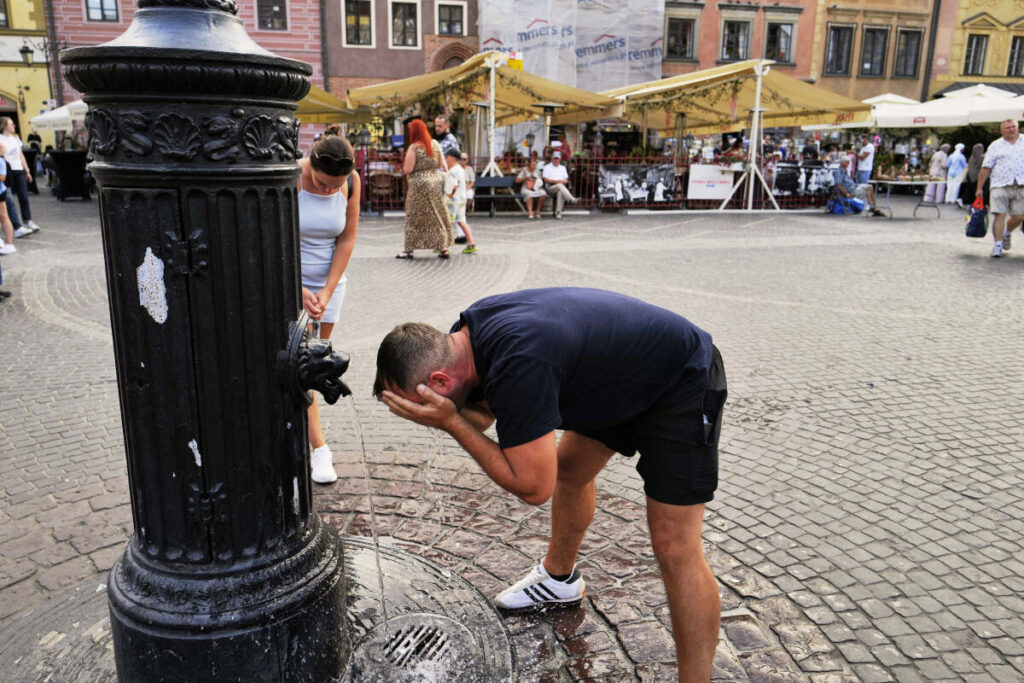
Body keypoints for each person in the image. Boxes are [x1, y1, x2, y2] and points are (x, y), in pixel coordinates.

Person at [373, 287, 728, 683]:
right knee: (572, 471)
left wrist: (450, 423)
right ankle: (560, 580)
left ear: (439, 380)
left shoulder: (519, 363)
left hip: (679, 380)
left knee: (674, 544)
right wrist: (449, 417)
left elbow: (532, 487)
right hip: (618, 381)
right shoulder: (465, 341)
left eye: (417, 403)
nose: (420, 414)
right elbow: (485, 417)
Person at [297, 132, 360, 484]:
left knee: (314, 365)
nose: (327, 191)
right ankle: (319, 448)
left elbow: (347, 237)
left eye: (333, 188)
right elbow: (273, 237)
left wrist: (327, 290)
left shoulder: (351, 182)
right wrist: (299, 288)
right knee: (303, 366)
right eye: (322, 184)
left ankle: (309, 440)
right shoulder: (291, 176)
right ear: (311, 164)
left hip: (329, 286)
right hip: (291, 280)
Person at [397, 119, 452, 259]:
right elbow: (441, 164)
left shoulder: (414, 147)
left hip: (419, 185)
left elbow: (408, 169)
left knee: (414, 216)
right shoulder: (434, 144)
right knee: (438, 213)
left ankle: (409, 249)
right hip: (435, 182)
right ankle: (443, 247)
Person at [977, 119, 1024, 258]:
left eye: (1013, 127)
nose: (1011, 129)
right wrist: (979, 188)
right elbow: (986, 167)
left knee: (1019, 216)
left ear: (1018, 127)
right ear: (1002, 130)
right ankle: (997, 245)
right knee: (999, 214)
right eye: (1007, 128)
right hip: (999, 184)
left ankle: (1007, 233)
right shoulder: (995, 145)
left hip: (1021, 184)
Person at [0, 117, 40, 238]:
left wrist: (27, 171)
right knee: (9, 199)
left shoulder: (15, 138)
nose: (14, 126)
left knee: (24, 196)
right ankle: (17, 226)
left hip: (19, 169)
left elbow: (20, 155)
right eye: (11, 124)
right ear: (4, 126)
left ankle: (27, 221)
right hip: (7, 171)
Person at [443, 148, 477, 254]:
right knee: (462, 221)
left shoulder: (452, 171)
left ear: (452, 158)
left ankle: (445, 246)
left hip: (453, 201)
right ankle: (471, 244)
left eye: (446, 157)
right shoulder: (460, 169)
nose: (445, 159)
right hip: (461, 200)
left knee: (446, 223)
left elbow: (452, 187)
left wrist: (447, 197)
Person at [540, 152, 578, 218]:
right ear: (552, 159)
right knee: (559, 186)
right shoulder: (547, 167)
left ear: (560, 159)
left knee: (560, 191)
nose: (556, 160)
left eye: (557, 159)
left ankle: (558, 213)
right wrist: (556, 181)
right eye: (555, 158)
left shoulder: (562, 168)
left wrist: (562, 181)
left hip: (561, 186)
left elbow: (566, 179)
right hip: (550, 186)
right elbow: (545, 179)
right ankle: (571, 199)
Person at [457, 152, 475, 241]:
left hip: (467, 187)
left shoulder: (469, 169)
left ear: (467, 160)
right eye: (461, 159)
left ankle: (466, 209)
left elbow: (472, 182)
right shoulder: (456, 169)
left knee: (469, 195)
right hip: (458, 189)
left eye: (464, 159)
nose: (462, 161)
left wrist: (466, 188)